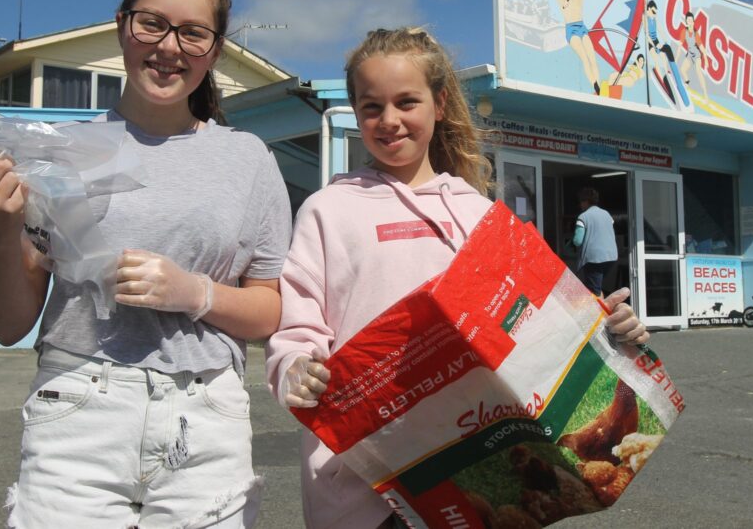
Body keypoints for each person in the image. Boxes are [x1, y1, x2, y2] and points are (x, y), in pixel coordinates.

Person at [266, 27, 650, 529]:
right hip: (363, 481)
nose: (389, 120)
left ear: (440, 104)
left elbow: (542, 322)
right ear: (355, 112)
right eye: (371, 107)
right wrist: (295, 367)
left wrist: (611, 330)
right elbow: (297, 328)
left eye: (407, 102)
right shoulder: (327, 210)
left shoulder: (479, 213)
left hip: (471, 463)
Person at [0, 0, 291, 528]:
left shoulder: (249, 160)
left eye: (193, 33)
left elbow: (270, 311)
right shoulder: (55, 153)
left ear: (215, 50)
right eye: (152, 24)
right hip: (77, 410)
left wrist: (195, 293)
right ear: (122, 26)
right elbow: (7, 324)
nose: (169, 47)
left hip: (205, 416)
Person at [554, 0, 601, 94]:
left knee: (593, 59)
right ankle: (595, 85)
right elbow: (563, 5)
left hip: (581, 26)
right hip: (571, 28)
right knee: (584, 58)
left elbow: (580, 7)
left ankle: (599, 90)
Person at [573, 187, 619, 296]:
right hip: (611, 257)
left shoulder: (583, 217)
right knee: (596, 285)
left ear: (586, 201)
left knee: (593, 291)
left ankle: (596, 306)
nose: (580, 205)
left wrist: (573, 239)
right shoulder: (607, 214)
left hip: (594, 259)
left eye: (581, 201)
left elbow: (577, 241)